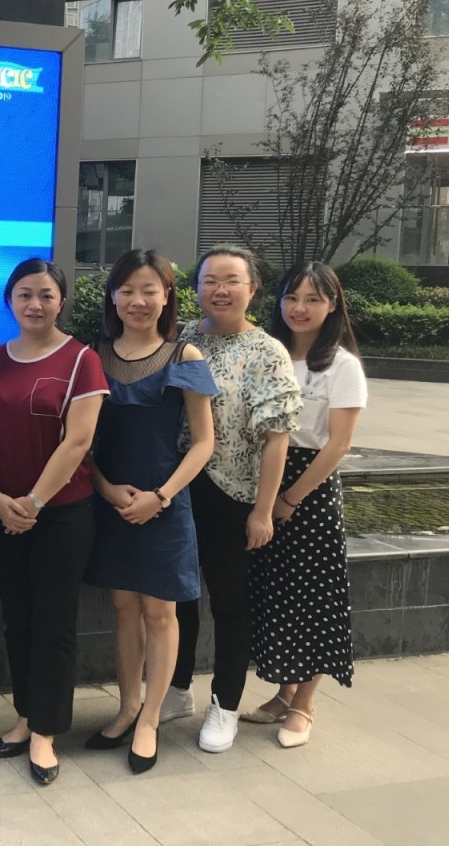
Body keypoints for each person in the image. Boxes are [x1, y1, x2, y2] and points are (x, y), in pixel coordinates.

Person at [0, 259, 108, 786]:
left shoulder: (81, 361)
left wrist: (31, 503)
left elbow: (78, 442)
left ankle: (47, 731)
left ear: (61, 301)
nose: (35, 304)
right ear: (9, 300)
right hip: (1, 510)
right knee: (18, 617)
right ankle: (26, 715)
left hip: (61, 515)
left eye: (46, 295)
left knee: (53, 622)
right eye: (25, 294)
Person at [164, 244, 302, 753]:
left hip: (234, 493)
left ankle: (224, 705)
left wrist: (263, 510)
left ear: (252, 289)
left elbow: (276, 438)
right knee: (178, 596)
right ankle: (177, 689)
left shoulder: (267, 352)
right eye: (209, 281)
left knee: (229, 603)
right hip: (179, 488)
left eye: (231, 281)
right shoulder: (181, 339)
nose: (219, 290)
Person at [83, 250, 216, 774]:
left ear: (167, 296)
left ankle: (151, 718)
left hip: (165, 504)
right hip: (110, 500)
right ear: (113, 296)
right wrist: (107, 489)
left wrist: (158, 497)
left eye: (149, 290)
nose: (137, 301)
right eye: (127, 290)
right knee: (122, 608)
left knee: (161, 613)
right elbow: (78, 440)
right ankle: (126, 708)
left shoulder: (185, 355)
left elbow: (203, 443)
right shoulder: (91, 355)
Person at [245, 261, 366, 748]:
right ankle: (283, 693)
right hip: (263, 479)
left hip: (309, 488)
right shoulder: (268, 352)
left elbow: (339, 444)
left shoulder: (341, 365)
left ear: (332, 305)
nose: (300, 308)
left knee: (313, 598)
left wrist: (290, 498)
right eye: (292, 297)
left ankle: (305, 704)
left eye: (313, 299)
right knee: (276, 593)